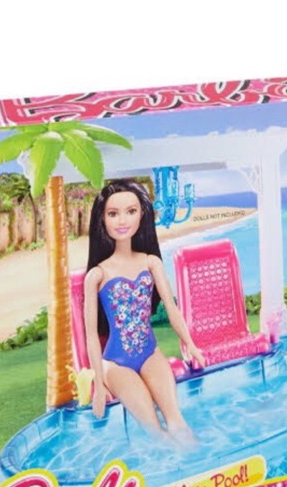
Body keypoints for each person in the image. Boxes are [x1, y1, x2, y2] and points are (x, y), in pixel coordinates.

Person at [84, 179, 204, 446]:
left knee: (177, 422)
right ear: (102, 219)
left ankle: (204, 464)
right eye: (113, 213)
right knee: (156, 432)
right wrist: (99, 384)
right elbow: (90, 335)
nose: (122, 220)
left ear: (142, 215)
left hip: (150, 353)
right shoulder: (97, 275)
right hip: (116, 364)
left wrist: (190, 344)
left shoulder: (151, 263)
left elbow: (171, 308)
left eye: (131, 211)